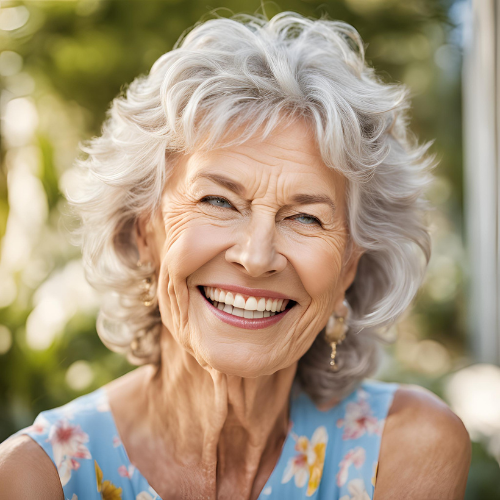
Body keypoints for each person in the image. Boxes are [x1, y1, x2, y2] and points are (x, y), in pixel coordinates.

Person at [0, 12, 471, 500]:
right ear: (145, 232)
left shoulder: (404, 448)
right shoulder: (39, 476)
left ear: (349, 266)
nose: (256, 255)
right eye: (218, 202)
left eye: (305, 217)